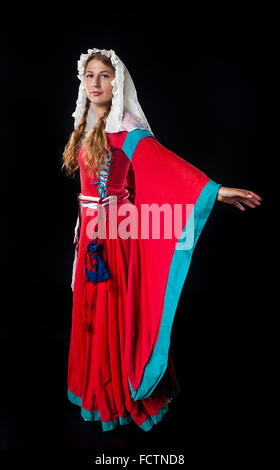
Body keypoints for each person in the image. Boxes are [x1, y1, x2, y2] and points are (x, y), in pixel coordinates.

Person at [62, 48, 262, 432]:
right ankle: (95, 388)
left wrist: (216, 192)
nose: (96, 83)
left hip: (116, 240)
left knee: (115, 312)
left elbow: (167, 168)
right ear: (83, 83)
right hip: (90, 234)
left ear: (117, 82)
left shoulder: (129, 130)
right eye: (90, 76)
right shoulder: (84, 126)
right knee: (92, 315)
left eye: (105, 76)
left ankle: (121, 392)